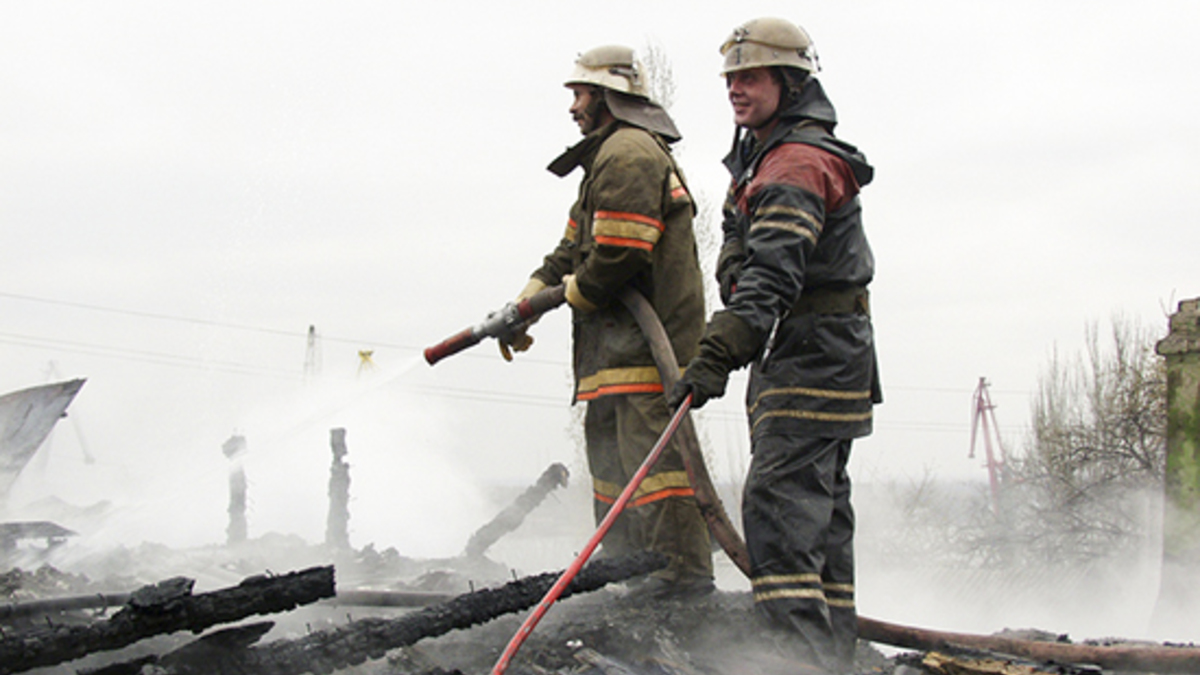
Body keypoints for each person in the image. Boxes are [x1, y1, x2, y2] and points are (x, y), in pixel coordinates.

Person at [667, 17, 881, 673]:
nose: (736, 87)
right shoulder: (769, 157)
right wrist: (734, 250)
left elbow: (772, 275)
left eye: (751, 76)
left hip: (812, 353)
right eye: (731, 76)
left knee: (780, 509)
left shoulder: (795, 163)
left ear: (789, 82)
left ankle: (798, 662)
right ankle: (832, 654)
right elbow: (748, 246)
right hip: (823, 350)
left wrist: (715, 353)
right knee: (819, 518)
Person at [501, 45, 713, 598]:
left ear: (609, 95)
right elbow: (573, 250)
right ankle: (624, 581)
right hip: (613, 356)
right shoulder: (604, 161)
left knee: (656, 473)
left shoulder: (628, 152)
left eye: (580, 92)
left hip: (647, 353)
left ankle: (680, 582)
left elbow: (618, 255)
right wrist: (526, 300)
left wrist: (576, 292)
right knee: (614, 478)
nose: (572, 106)